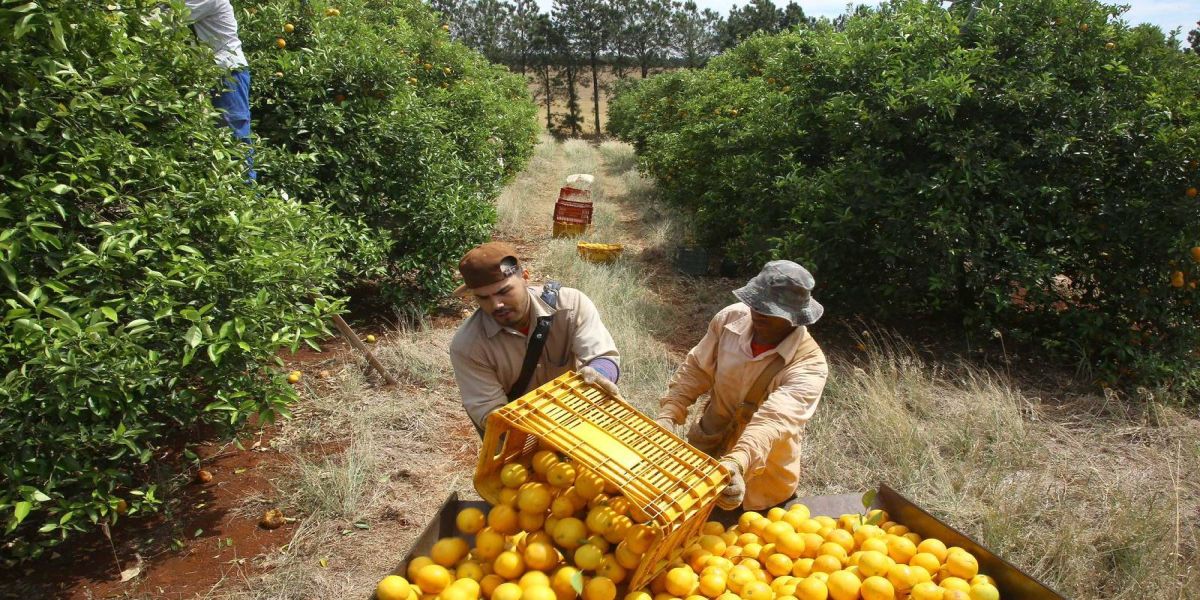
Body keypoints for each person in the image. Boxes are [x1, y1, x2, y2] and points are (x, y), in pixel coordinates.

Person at [655, 260, 829, 510]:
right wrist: (669, 414)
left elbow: (773, 421)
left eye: (769, 310)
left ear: (794, 318)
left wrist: (738, 462)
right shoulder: (730, 319)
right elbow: (696, 369)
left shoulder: (809, 365)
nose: (757, 313)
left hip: (761, 484)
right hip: (705, 455)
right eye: (755, 304)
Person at [450, 242, 621, 435]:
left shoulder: (571, 306)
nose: (496, 304)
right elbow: (490, 412)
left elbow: (604, 356)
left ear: (525, 277)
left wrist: (599, 373)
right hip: (518, 436)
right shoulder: (468, 345)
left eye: (503, 292)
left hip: (577, 420)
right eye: (483, 298)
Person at [184, 0, 256, 180]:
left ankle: (248, 196)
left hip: (229, 73)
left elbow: (171, 15)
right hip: (211, 74)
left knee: (235, 136)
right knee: (212, 136)